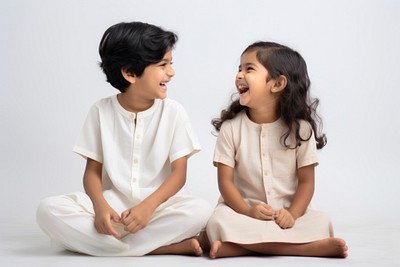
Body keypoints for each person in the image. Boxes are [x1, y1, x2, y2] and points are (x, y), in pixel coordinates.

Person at [36, 21, 212, 256]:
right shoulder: (101, 111)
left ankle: (106, 245)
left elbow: (179, 175)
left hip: (160, 206)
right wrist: (100, 208)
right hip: (114, 206)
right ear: (130, 73)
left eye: (171, 63)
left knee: (200, 210)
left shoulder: (173, 112)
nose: (171, 72)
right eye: (163, 65)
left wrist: (148, 207)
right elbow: (92, 173)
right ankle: (157, 247)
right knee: (47, 210)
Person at [206, 41, 348, 259]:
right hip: (243, 212)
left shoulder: (301, 129)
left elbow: (307, 182)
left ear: (277, 83)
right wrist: (247, 211)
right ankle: (308, 249)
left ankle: (238, 248)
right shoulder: (231, 128)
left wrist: (292, 214)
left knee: (322, 221)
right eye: (239, 69)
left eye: (249, 69)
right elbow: (225, 182)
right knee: (218, 221)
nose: (239, 75)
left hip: (288, 214)